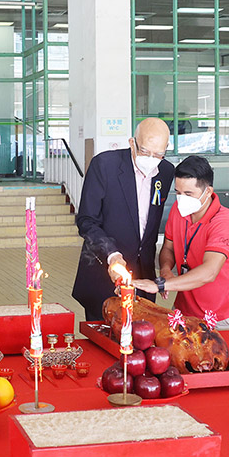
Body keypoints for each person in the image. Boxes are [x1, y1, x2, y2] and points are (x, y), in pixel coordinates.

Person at [72, 118, 175, 321]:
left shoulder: (166, 171)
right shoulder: (105, 165)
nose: (151, 158)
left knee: (142, 334)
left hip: (144, 279)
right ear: (132, 143)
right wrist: (112, 255)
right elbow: (86, 221)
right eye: (145, 151)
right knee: (104, 335)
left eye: (158, 154)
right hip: (103, 275)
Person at [133, 156, 229, 330]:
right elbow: (168, 248)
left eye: (188, 194)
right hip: (183, 310)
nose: (181, 199)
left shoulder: (224, 222)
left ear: (208, 191)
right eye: (178, 192)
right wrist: (165, 270)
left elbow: (209, 272)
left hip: (218, 315)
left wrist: (160, 285)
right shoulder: (178, 211)